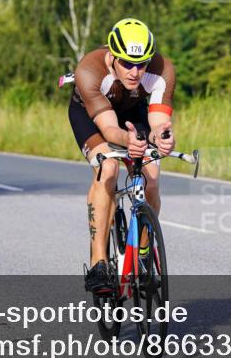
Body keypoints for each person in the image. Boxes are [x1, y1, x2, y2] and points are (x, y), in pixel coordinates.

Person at [69, 18, 176, 294]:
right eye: (127, 63)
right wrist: (128, 140)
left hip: (132, 113)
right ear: (113, 56)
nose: (135, 71)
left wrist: (162, 138)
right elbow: (109, 128)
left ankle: (143, 252)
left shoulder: (162, 71)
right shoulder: (89, 71)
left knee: (151, 174)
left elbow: (157, 122)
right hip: (92, 116)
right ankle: (99, 263)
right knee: (109, 167)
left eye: (141, 64)